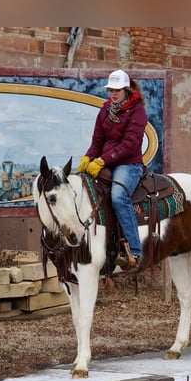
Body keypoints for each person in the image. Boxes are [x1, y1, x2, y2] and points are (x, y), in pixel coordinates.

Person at [77, 69, 147, 271]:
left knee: (118, 196)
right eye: (110, 90)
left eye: (117, 90)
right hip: (105, 161)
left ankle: (134, 251)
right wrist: (87, 157)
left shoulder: (137, 111)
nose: (113, 94)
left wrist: (101, 160)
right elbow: (97, 140)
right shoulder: (105, 110)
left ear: (126, 89)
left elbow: (130, 144)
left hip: (129, 164)